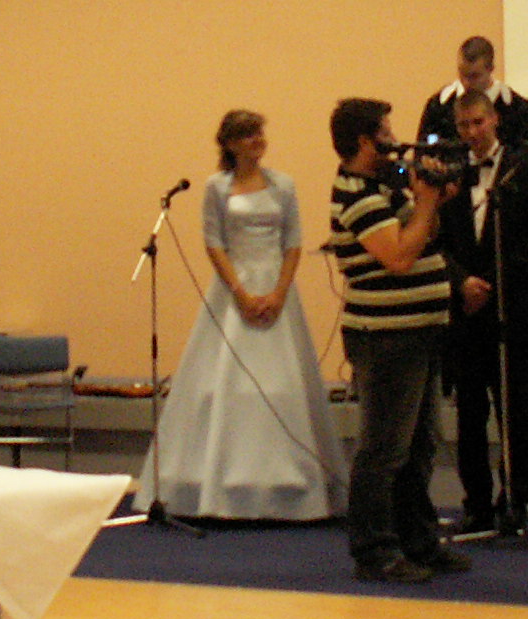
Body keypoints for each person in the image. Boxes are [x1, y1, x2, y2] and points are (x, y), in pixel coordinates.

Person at [149, 110, 345, 520]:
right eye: (249, 134)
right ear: (231, 143)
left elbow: (293, 241)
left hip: (277, 289)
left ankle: (290, 488)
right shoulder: (216, 187)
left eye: (260, 133)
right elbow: (213, 242)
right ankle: (223, 488)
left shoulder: (283, 184)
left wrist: (278, 292)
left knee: (283, 383)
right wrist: (240, 292)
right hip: (234, 290)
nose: (258, 140)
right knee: (226, 383)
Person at [327, 98, 468, 584]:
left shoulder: (384, 187)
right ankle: (373, 551)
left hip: (417, 331)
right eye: (385, 131)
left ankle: (417, 541)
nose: (394, 138)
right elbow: (400, 257)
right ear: (364, 140)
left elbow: (423, 234)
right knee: (384, 449)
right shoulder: (356, 195)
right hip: (386, 337)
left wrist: (433, 199)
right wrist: (425, 202)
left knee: (420, 445)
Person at [443, 89, 528, 535]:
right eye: (464, 125)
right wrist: (461, 283)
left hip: (511, 310)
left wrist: (488, 284)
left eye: (478, 122)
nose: (472, 132)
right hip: (464, 313)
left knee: (513, 411)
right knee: (469, 413)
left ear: (495, 121)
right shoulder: (448, 172)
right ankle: (476, 503)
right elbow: (437, 240)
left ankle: (516, 501)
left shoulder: (527, 170)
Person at [419, 35, 528, 161]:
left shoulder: (517, 109)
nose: (466, 83)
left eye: (474, 76)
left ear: (491, 69)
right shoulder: (439, 106)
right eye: (462, 74)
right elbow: (421, 156)